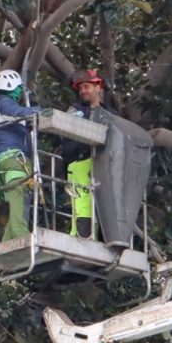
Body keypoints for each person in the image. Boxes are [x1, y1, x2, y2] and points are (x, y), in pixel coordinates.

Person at [0, 69, 43, 241]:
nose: (19, 93)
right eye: (18, 89)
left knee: (19, 198)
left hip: (5, 159)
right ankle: (20, 236)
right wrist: (41, 111)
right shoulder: (4, 103)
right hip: (12, 158)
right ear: (11, 87)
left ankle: (7, 241)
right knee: (19, 192)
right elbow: (21, 112)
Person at [61, 68, 115, 238]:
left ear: (98, 87)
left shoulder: (109, 115)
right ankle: (82, 237)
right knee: (82, 203)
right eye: (80, 88)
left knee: (102, 205)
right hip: (79, 162)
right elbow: (66, 132)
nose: (82, 91)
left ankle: (97, 239)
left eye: (86, 87)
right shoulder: (75, 110)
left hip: (102, 165)